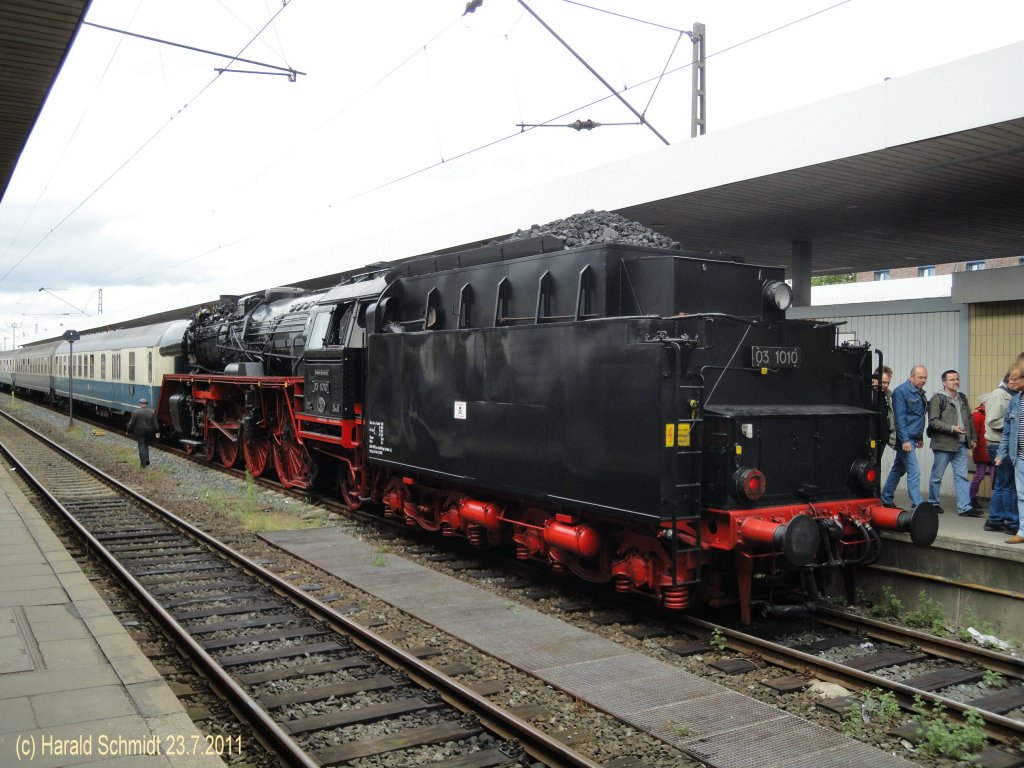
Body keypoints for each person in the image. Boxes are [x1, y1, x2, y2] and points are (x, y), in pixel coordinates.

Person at [926, 370, 980, 516]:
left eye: (957, 379)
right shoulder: (937, 398)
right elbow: (933, 421)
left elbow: (969, 419)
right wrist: (952, 428)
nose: (956, 382)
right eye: (952, 380)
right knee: (937, 476)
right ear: (944, 382)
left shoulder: (962, 398)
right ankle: (933, 503)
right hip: (943, 445)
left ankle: (964, 507)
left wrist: (973, 438)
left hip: (960, 444)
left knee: (961, 476)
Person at [881, 364, 928, 511]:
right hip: (905, 439)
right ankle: (918, 505)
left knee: (898, 469)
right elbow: (899, 418)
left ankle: (886, 497)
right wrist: (905, 440)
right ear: (911, 376)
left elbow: (918, 417)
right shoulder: (901, 392)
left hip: (913, 438)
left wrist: (919, 437)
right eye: (920, 377)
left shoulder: (920, 393)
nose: (923, 380)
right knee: (914, 470)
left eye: (925, 377)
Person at [984, 364, 1023, 533]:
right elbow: (993, 420)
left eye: (1015, 378)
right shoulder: (1000, 394)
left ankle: (995, 519)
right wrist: (1015, 426)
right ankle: (1012, 522)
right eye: (1011, 378)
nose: (1012, 381)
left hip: (1004, 446)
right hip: (998, 444)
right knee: (1008, 485)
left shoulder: (1013, 396)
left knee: (1001, 484)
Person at [994, 373, 1024, 544]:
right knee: (1021, 496)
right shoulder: (1015, 400)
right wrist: (1001, 454)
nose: (1011, 382)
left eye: (1016, 379)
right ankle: (1022, 531)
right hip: (1019, 457)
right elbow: (1007, 432)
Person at [970, 400, 995, 513]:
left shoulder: (991, 412)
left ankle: (995, 502)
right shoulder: (978, 414)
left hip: (991, 448)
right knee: (980, 475)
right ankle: (971, 498)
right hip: (982, 449)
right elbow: (974, 432)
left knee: (993, 477)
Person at [126, 398, 159, 468]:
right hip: (149, 432)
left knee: (141, 447)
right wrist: (157, 431)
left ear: (140, 404)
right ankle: (146, 458)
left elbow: (131, 424)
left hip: (140, 432)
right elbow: (155, 424)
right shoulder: (152, 412)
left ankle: (143, 464)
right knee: (146, 445)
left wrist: (128, 431)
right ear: (146, 404)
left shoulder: (136, 412)